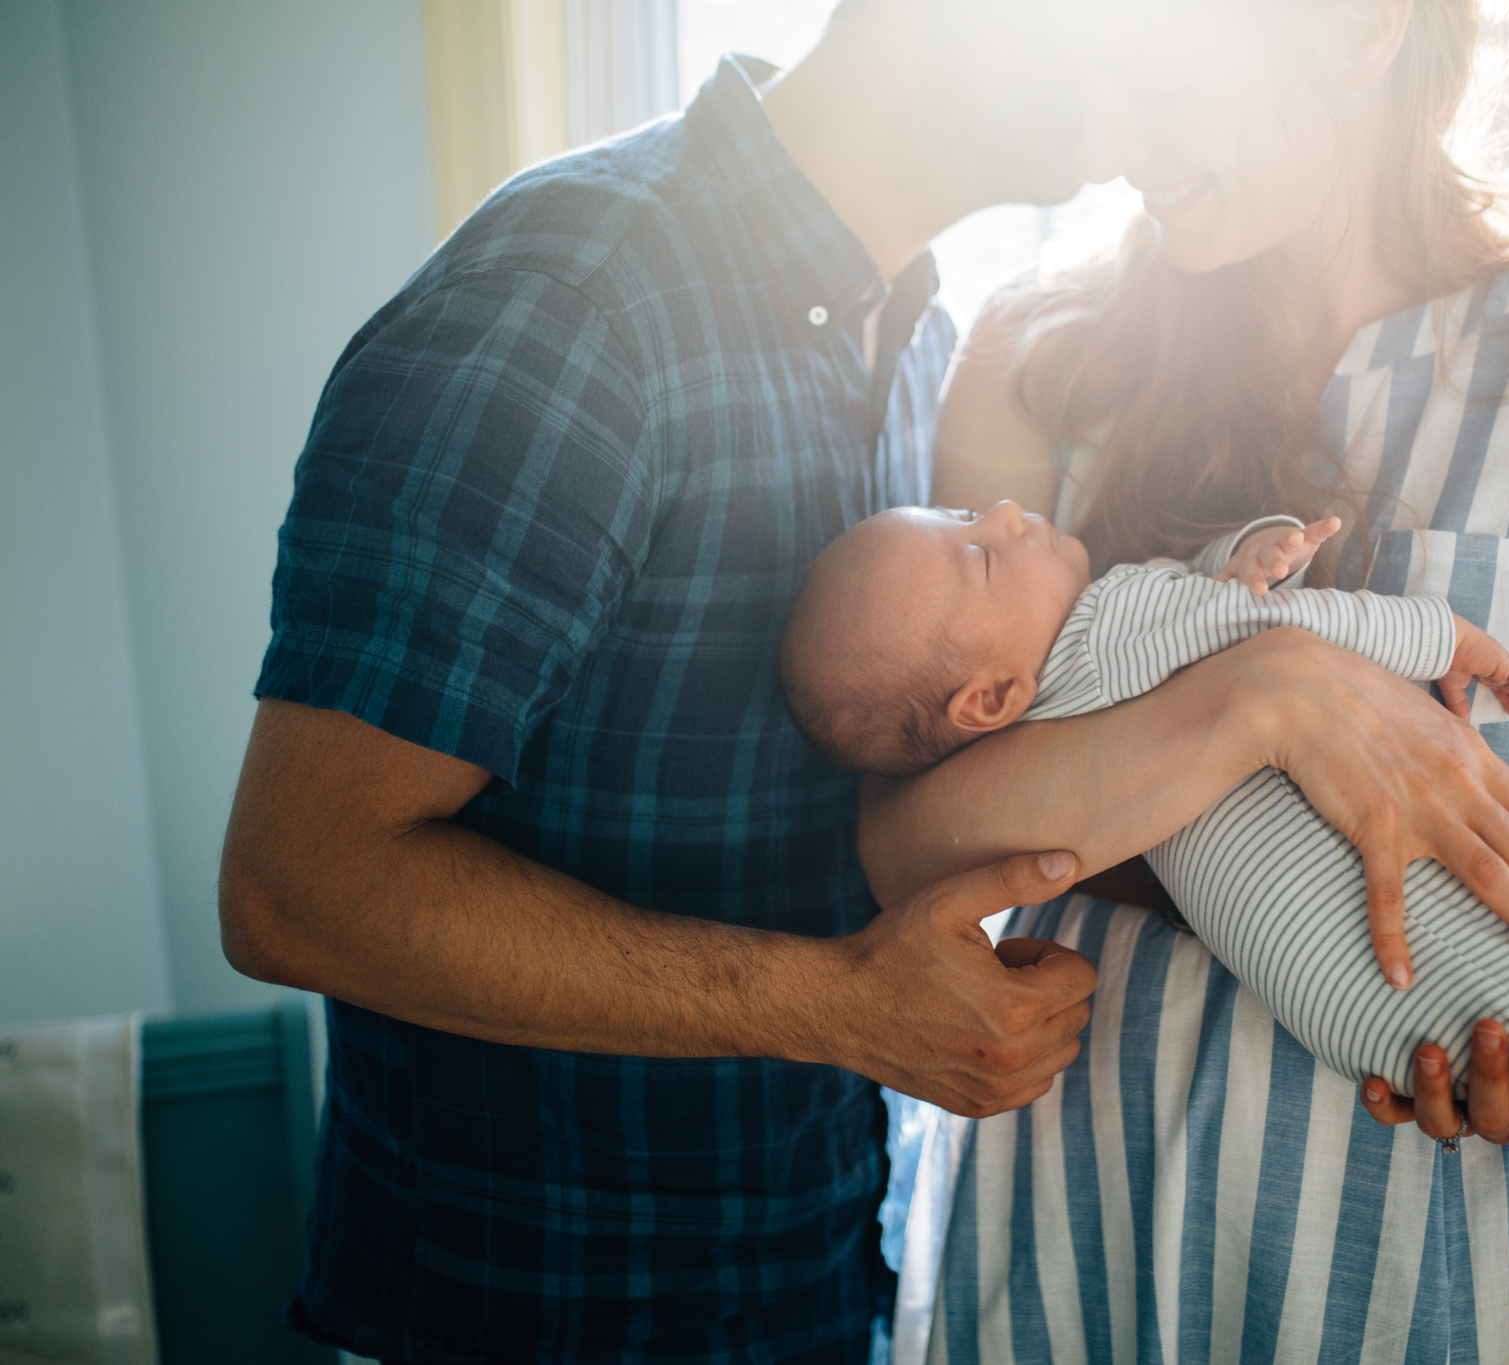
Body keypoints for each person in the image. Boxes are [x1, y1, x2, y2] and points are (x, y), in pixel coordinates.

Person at [861, 0, 1509, 1359]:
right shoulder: (1039, 358)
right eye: (1089, 85)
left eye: (1157, 88)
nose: (1103, 146)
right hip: (1075, 1210)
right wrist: (1262, 694)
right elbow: (912, 843)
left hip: (1440, 1240)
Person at [213, 5, 1119, 1360]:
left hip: (809, 1280)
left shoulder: (914, 342)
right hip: (531, 1310)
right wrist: (837, 1002)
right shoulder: (563, 308)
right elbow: (298, 883)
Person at [785, 504, 1509, 1342]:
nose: (1009, 516)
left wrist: (1230, 556)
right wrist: (1441, 636)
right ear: (986, 697)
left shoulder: (1061, 687)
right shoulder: (1109, 621)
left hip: (1341, 986)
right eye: (975, 551)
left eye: (969, 511)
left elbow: (1192, 619)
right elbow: (1290, 634)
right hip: (1397, 948)